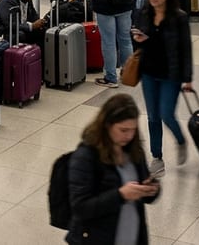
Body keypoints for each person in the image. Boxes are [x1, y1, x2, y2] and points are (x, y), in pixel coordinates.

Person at [65, 93, 158, 245]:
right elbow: (80, 207)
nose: (129, 136)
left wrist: (152, 189)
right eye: (123, 130)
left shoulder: (133, 150)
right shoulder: (86, 156)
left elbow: (144, 186)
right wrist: (120, 195)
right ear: (107, 124)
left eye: (133, 130)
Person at [130, 0, 192, 178]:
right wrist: (137, 39)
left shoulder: (179, 18)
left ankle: (181, 140)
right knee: (153, 117)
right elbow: (139, 42)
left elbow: (185, 48)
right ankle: (157, 157)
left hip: (170, 74)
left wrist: (188, 77)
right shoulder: (143, 14)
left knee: (166, 114)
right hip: (149, 72)